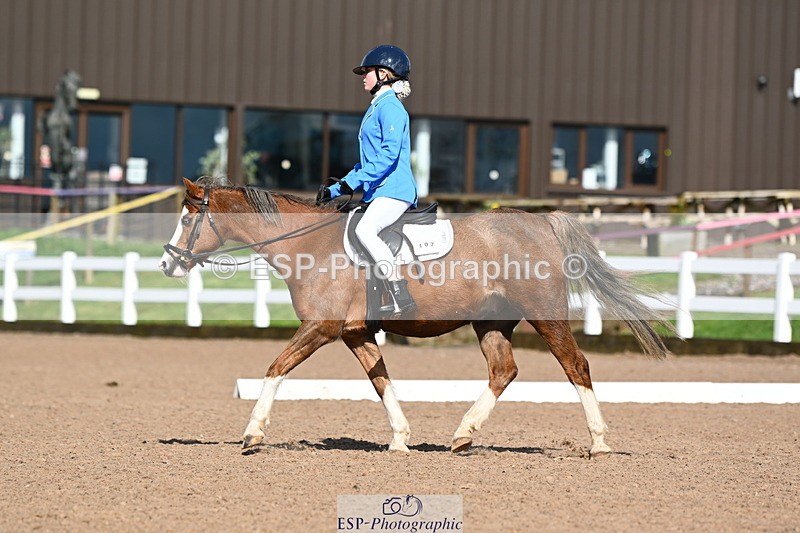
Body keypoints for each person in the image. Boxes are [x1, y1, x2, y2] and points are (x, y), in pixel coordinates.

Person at [317, 44, 418, 315]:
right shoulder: (377, 107)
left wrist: (354, 183)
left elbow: (387, 157)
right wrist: (338, 187)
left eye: (367, 72)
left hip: (395, 190)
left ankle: (400, 292)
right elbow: (366, 162)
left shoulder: (391, 108)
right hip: (378, 191)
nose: (363, 76)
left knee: (365, 230)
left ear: (384, 74)